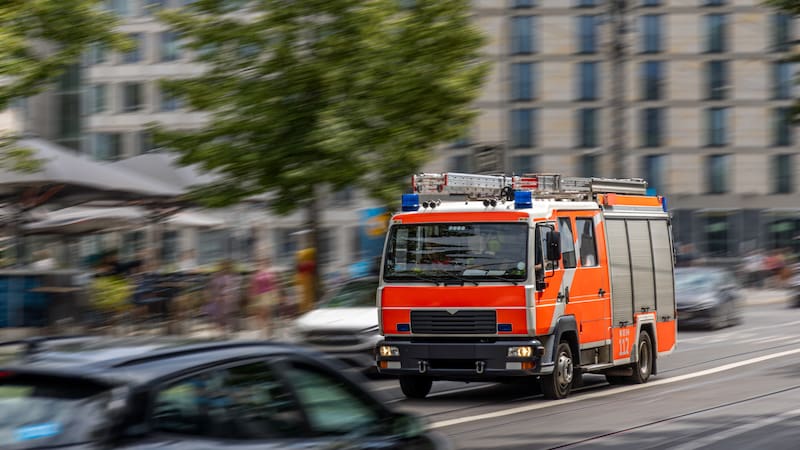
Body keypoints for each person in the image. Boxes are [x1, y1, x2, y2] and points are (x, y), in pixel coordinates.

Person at [207, 260, 241, 335]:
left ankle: (224, 331)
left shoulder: (231, 276)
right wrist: (216, 296)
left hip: (226, 298)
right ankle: (222, 332)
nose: (224, 268)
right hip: (220, 299)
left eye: (226, 266)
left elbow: (233, 288)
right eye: (223, 266)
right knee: (220, 316)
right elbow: (214, 288)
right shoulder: (218, 276)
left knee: (225, 315)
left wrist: (232, 296)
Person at [248, 258, 279, 338]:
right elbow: (254, 286)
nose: (261, 265)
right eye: (260, 263)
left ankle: (269, 332)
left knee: (267, 314)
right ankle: (263, 332)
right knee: (260, 316)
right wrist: (252, 296)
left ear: (267, 264)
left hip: (267, 295)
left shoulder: (270, 273)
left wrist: (275, 295)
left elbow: (273, 285)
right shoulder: (256, 274)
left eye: (264, 263)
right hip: (258, 296)